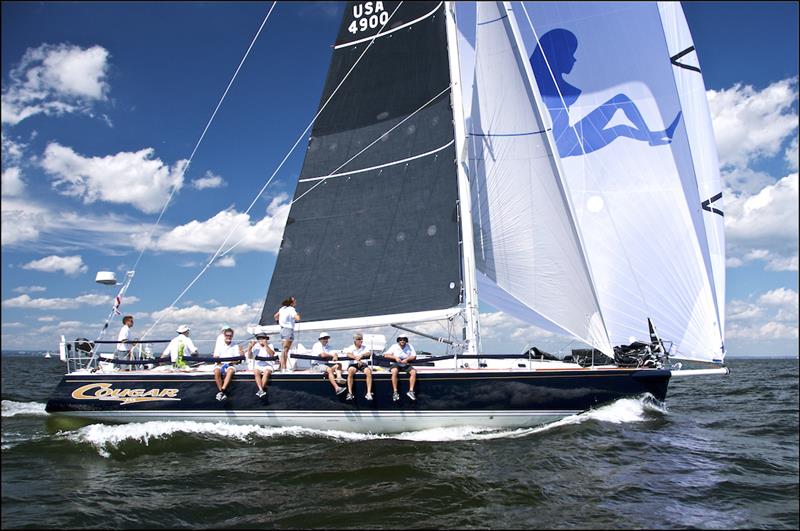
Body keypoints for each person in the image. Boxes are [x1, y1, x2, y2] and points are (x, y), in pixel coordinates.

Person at [311, 332, 347, 396]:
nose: (326, 340)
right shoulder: (317, 345)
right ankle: (337, 388)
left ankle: (339, 378)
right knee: (329, 369)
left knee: (339, 365)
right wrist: (333, 355)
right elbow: (322, 355)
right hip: (316, 366)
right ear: (320, 339)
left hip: (324, 365)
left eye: (327, 338)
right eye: (324, 338)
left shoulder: (329, 346)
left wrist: (335, 355)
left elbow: (334, 353)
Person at [383, 335, 417, 401]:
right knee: (394, 371)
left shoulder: (409, 346)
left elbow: (414, 356)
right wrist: (395, 357)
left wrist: (407, 359)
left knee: (413, 372)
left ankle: (411, 391)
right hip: (395, 364)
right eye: (400, 339)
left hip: (405, 364)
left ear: (406, 340)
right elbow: (385, 355)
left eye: (404, 339)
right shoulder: (394, 346)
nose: (402, 341)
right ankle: (395, 392)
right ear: (398, 340)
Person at [213, 327, 243, 401]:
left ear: (232, 336)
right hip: (221, 364)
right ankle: (221, 392)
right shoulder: (220, 345)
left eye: (230, 335)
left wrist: (231, 363)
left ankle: (222, 391)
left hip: (231, 365)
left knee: (230, 371)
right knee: (216, 371)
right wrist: (220, 363)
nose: (228, 337)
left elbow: (237, 359)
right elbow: (216, 356)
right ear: (224, 335)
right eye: (227, 335)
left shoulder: (235, 345)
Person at [343, 332, 374, 401]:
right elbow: (348, 354)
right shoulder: (350, 347)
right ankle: (350, 393)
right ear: (355, 340)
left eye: (361, 339)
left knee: (368, 372)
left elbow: (369, 353)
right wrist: (356, 358)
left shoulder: (365, 347)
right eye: (359, 339)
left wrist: (361, 356)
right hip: (353, 365)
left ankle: (368, 392)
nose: (361, 340)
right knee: (350, 371)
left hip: (362, 365)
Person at [274, 297, 300, 371]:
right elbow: (297, 318)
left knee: (284, 349)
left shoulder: (282, 308)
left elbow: (275, 316)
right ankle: (284, 368)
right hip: (288, 330)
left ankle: (282, 367)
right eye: (295, 301)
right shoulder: (291, 309)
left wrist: (280, 321)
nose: (296, 302)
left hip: (283, 330)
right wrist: (297, 315)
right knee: (285, 349)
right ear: (292, 303)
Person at [246, 333, 275, 398]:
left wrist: (266, 345)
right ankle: (261, 390)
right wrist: (250, 348)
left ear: (266, 339)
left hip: (268, 364)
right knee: (256, 372)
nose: (261, 340)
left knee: (267, 372)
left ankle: (260, 390)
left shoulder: (270, 345)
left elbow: (271, 355)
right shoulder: (256, 346)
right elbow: (250, 357)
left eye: (263, 338)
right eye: (259, 338)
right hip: (258, 365)